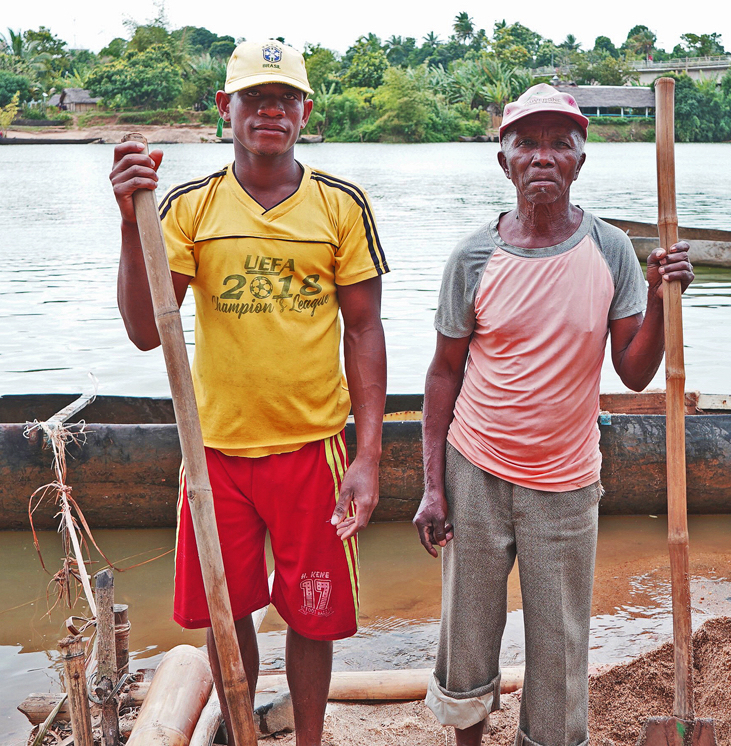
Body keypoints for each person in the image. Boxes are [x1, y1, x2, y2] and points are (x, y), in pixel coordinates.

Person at [109, 39, 388, 745]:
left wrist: (368, 456)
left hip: (311, 449)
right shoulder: (190, 207)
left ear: (305, 112)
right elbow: (147, 331)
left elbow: (363, 332)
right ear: (224, 109)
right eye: (254, 99)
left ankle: (309, 740)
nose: (270, 111)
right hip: (215, 456)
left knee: (311, 615)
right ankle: (238, 725)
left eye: (284, 98)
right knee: (226, 615)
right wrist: (126, 224)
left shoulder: (340, 205)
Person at [413, 84, 693, 746]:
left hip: (565, 481)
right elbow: (441, 373)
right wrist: (431, 485)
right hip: (475, 468)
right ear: (504, 159)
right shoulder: (472, 258)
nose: (543, 156)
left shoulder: (610, 250)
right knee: (468, 631)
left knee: (560, 646)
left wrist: (658, 298)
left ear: (579, 161)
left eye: (559, 144)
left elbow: (631, 370)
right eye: (527, 143)